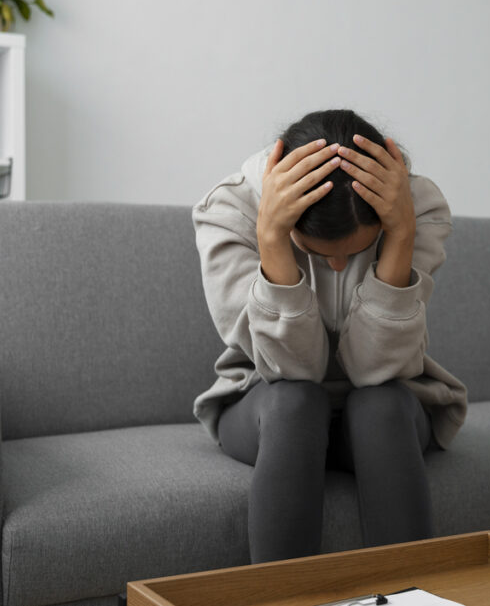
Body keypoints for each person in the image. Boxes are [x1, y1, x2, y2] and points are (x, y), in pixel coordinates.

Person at [192, 109, 467, 563]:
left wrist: (399, 236)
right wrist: (273, 241)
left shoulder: (416, 206)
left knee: (381, 405)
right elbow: (293, 370)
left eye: (357, 251)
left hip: (381, 406)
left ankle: (409, 597)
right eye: (317, 254)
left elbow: (374, 371)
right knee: (297, 402)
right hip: (267, 404)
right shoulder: (228, 212)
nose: (337, 266)